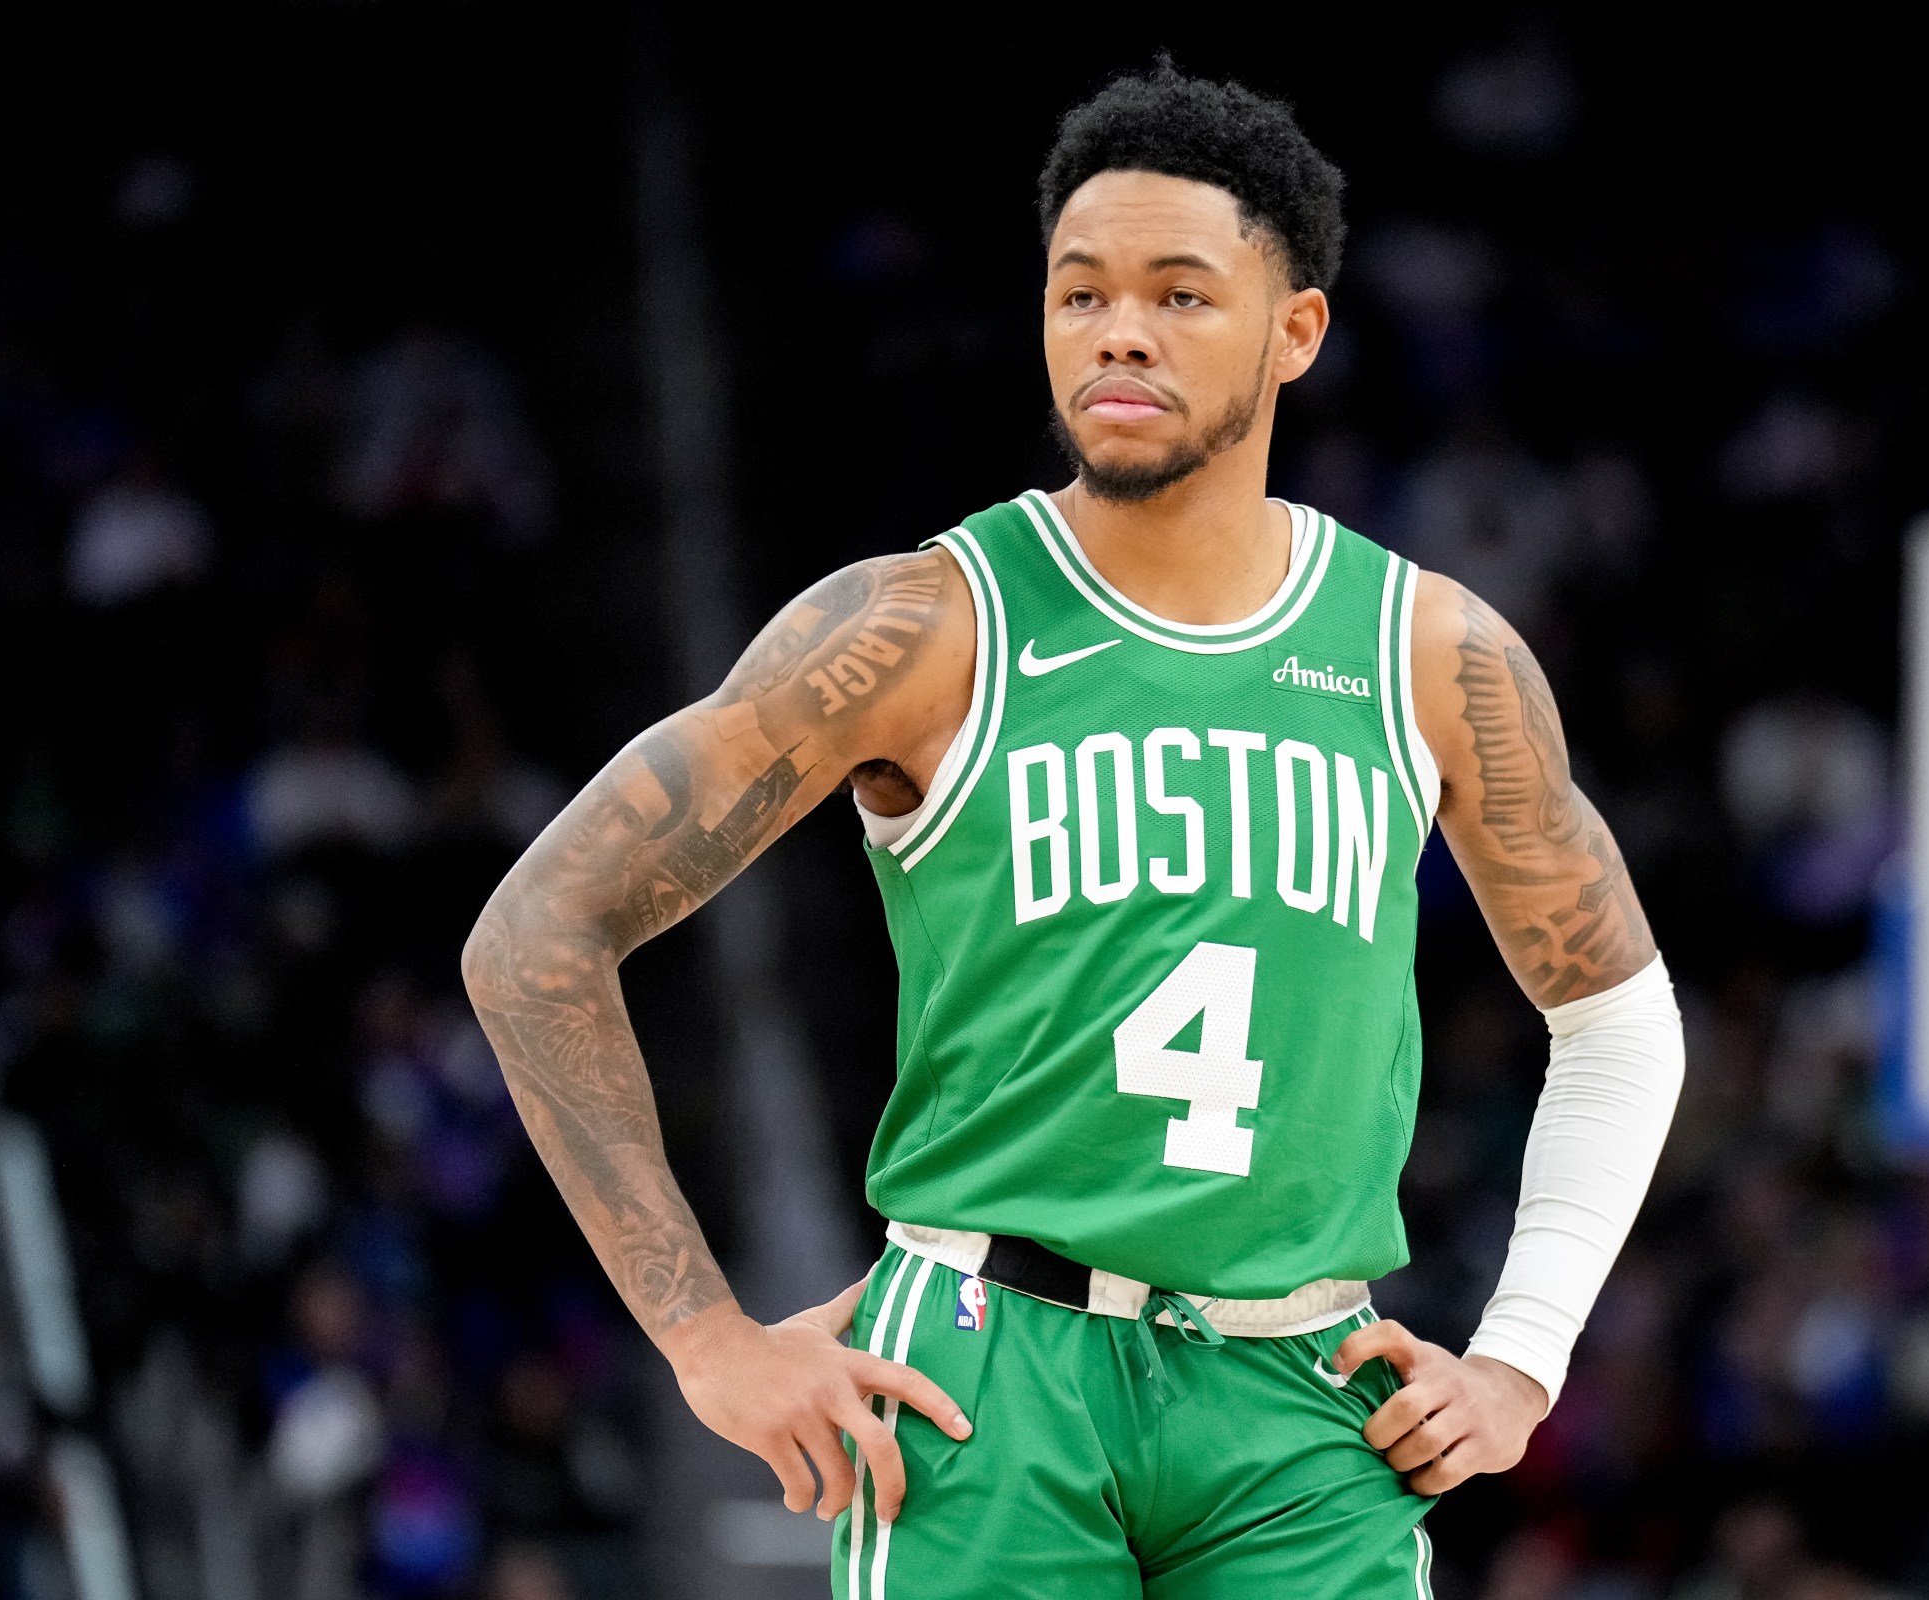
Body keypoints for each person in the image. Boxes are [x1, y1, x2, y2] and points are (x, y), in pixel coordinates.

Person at [463, 61, 1685, 1599]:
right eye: (1082, 292)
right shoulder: (923, 625)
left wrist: (1519, 1358)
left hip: (1304, 1395)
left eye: (1182, 295)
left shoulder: (1429, 653)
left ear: (1295, 330)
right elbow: (536, 932)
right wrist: (706, 1340)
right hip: (991, 1373)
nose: (1120, 328)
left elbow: (1620, 1017)